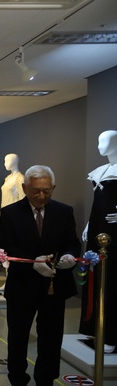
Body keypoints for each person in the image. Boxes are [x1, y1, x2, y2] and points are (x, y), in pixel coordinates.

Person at [0, 165, 80, 386]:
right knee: (18, 336)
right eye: (36, 191)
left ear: (53, 188)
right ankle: (17, 381)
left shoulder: (64, 212)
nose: (41, 196)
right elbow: (6, 245)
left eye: (47, 191)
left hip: (55, 285)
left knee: (52, 337)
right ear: (24, 188)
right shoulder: (11, 213)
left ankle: (46, 383)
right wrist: (31, 261)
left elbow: (72, 242)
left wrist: (68, 257)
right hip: (22, 284)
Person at [80, 130, 117, 350]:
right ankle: (94, 328)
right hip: (97, 228)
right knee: (95, 275)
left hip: (114, 232)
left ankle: (112, 334)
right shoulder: (102, 171)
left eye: (105, 141)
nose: (99, 145)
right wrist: (88, 224)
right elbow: (97, 204)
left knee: (112, 278)